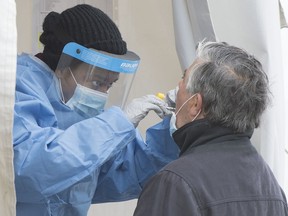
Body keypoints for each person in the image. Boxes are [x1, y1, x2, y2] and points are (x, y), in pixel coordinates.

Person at [13, 4, 179, 216]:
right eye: (97, 82)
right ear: (64, 67)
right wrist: (118, 124)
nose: (102, 94)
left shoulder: (76, 103)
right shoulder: (17, 89)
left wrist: (173, 131)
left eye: (109, 85)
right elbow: (31, 171)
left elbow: (123, 174)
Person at [133, 41, 288, 216]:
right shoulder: (272, 189)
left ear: (194, 104)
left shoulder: (175, 182)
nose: (177, 87)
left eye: (183, 78)